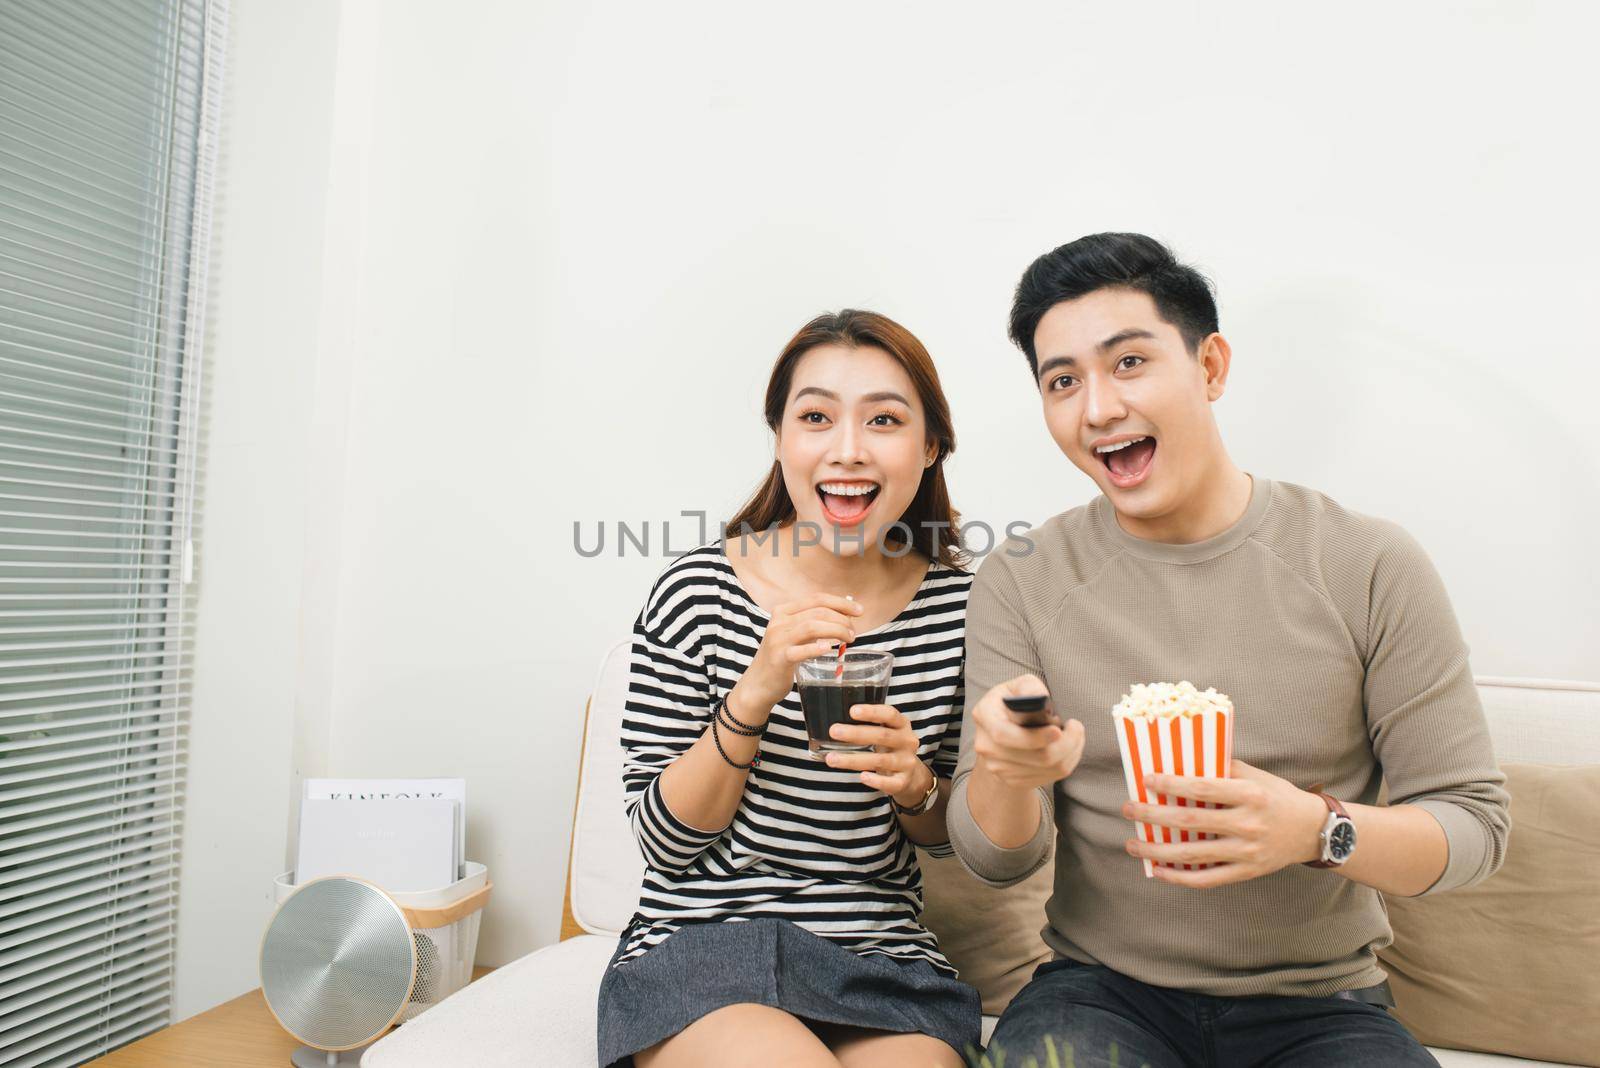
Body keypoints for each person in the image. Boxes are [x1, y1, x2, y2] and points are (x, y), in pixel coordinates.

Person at [947, 233, 1511, 1067]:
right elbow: (994, 858)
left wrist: (1319, 831)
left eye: (1129, 362)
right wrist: (1007, 775)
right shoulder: (1023, 580)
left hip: (1324, 1007)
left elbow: (1474, 827)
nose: (1096, 407)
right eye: (1062, 381)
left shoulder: (1367, 564)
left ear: (1210, 367)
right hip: (1100, 992)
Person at [596, 310, 983, 1068]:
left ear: (929, 445)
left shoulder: (961, 613)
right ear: (780, 438)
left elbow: (952, 842)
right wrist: (756, 688)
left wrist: (915, 787)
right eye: (815, 418)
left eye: (884, 420)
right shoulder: (697, 592)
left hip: (880, 956)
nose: (848, 450)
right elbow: (664, 845)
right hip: (705, 946)